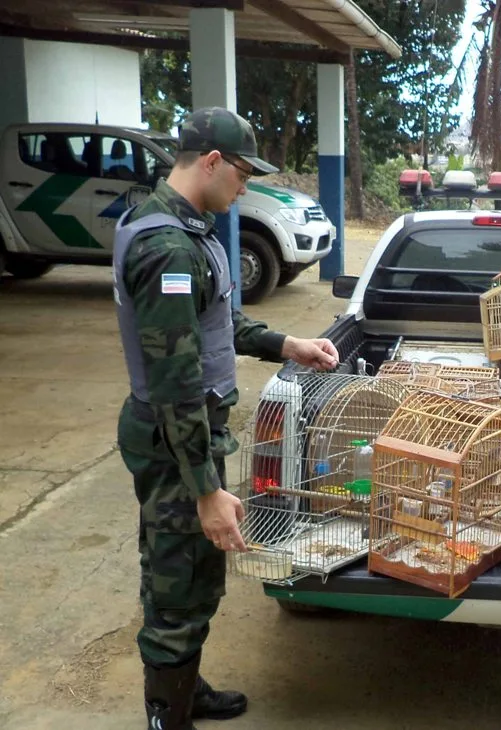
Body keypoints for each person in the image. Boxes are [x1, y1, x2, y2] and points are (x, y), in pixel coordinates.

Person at [113, 107, 340, 730]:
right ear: (211, 162)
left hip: (185, 439)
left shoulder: (182, 230)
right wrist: (207, 491)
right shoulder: (166, 249)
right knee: (176, 580)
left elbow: (215, 323)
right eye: (242, 174)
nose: (245, 188)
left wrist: (286, 343)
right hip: (175, 442)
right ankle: (169, 713)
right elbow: (176, 384)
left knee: (187, 572)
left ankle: (186, 685)